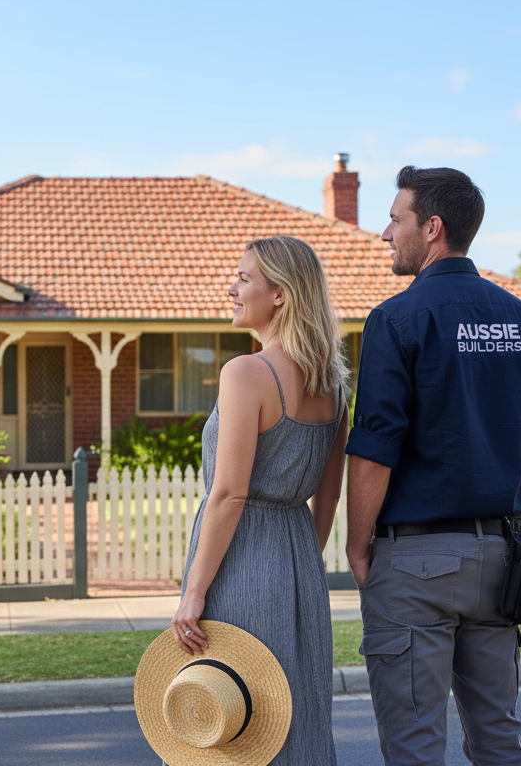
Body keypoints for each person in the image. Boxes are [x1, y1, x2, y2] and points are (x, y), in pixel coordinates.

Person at [345, 166, 521, 766]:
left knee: (414, 747)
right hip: (498, 562)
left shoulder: (397, 319)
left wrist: (357, 547)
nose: (386, 233)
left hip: (413, 565)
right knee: (498, 741)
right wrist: (512, 530)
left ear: (432, 228)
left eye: (395, 218)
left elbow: (373, 451)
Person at [171, 234, 349, 766]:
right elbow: (331, 488)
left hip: (240, 560)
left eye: (244, 278)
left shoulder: (245, 373)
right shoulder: (335, 385)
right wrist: (303, 557)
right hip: (298, 559)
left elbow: (228, 493)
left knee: (232, 717)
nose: (232, 287)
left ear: (281, 295)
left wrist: (194, 592)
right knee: (294, 710)